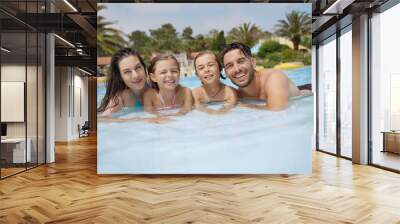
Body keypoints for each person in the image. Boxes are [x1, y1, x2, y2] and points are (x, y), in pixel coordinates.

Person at [219, 42, 309, 111]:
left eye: (241, 61)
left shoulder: (274, 78)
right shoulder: (237, 95)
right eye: (230, 66)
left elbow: (277, 111)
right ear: (226, 73)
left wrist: (245, 106)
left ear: (253, 63)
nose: (237, 69)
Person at [97, 48, 170, 124]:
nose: (135, 75)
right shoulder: (122, 97)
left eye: (138, 67)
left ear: (144, 67)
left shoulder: (157, 87)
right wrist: (143, 120)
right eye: (127, 72)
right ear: (120, 77)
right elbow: (102, 119)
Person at [192, 51, 237, 115]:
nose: (206, 70)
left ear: (220, 68)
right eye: (201, 68)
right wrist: (211, 112)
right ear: (197, 75)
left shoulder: (230, 93)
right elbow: (198, 110)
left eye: (210, 65)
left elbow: (230, 110)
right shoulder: (195, 94)